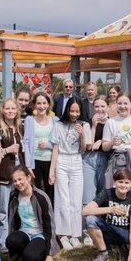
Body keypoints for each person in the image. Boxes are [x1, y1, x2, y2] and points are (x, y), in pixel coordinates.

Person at [50, 98, 90, 249]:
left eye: (77, 111)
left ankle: (75, 234)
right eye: (72, 111)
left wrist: (82, 136)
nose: (74, 114)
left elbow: (83, 149)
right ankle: (63, 234)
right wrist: (52, 170)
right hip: (62, 160)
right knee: (62, 199)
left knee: (76, 199)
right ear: (67, 110)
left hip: (77, 160)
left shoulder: (84, 125)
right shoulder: (58, 125)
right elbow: (55, 148)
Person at [6, 166, 59, 261]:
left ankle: (37, 255)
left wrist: (50, 256)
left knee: (30, 258)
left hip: (40, 235)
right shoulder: (14, 196)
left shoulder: (41, 197)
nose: (17, 183)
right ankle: (22, 254)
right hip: (24, 232)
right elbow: (13, 222)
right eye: (15, 181)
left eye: (20, 179)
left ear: (28, 178)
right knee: (11, 240)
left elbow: (50, 227)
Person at [102, 91, 131, 195]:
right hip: (118, 160)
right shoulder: (110, 122)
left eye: (125, 103)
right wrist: (112, 142)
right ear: (116, 104)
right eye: (119, 103)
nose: (122, 106)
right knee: (118, 191)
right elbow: (105, 147)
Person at [0, 98, 25, 252]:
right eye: (8, 108)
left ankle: (15, 238)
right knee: (2, 211)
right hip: (3, 176)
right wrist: (7, 150)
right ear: (2, 110)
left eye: (13, 108)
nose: (10, 111)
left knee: (17, 209)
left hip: (18, 175)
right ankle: (1, 242)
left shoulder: (20, 127)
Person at [23, 91, 58, 203]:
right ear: (34, 104)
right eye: (38, 103)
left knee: (50, 191)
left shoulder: (55, 120)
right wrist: (28, 165)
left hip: (50, 161)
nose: (41, 106)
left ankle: (49, 217)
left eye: (44, 103)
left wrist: (48, 145)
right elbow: (26, 142)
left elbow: (58, 143)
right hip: (35, 161)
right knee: (35, 191)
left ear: (48, 104)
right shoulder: (30, 120)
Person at [82, 96, 111, 205]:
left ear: (108, 107)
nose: (99, 109)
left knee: (102, 194)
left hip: (105, 159)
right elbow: (90, 145)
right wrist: (93, 127)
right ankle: (88, 220)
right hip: (89, 159)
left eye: (102, 106)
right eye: (96, 106)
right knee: (88, 196)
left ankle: (100, 220)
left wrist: (102, 141)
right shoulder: (87, 123)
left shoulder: (112, 123)